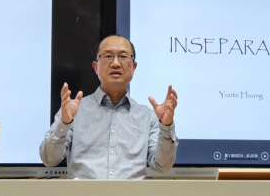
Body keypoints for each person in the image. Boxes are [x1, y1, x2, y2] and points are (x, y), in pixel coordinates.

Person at [40, 35, 179, 179]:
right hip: (84, 194)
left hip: (131, 194)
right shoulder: (74, 111)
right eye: (108, 56)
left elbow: (162, 166)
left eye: (123, 56)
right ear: (96, 67)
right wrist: (64, 123)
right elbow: (49, 159)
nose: (116, 63)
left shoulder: (148, 116)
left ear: (134, 67)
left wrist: (166, 126)